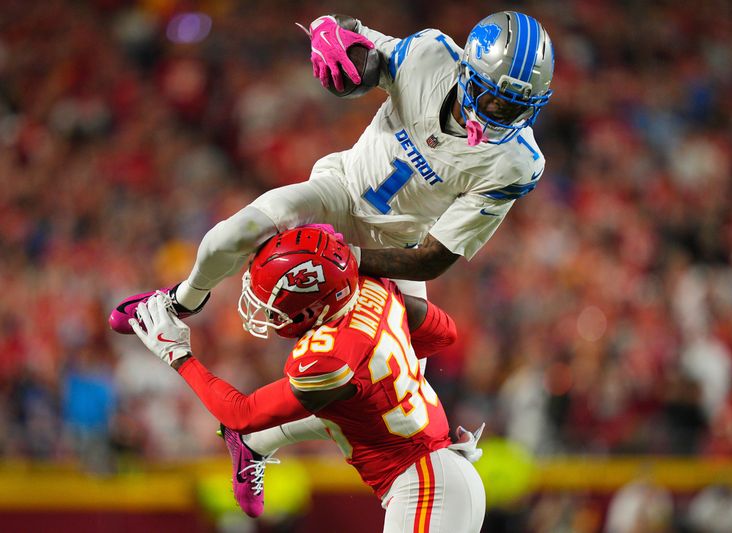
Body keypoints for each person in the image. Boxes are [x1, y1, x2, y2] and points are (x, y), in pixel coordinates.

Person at [109, 9, 554, 329]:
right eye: (496, 96)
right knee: (229, 235)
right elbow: (354, 39)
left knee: (409, 344)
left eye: (517, 105)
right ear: (466, 70)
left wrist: (349, 257)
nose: (502, 113)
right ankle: (180, 304)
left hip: (399, 242)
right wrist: (329, 32)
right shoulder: (429, 55)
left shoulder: (517, 162)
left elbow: (434, 258)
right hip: (340, 191)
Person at [129, 226, 486, 531]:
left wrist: (178, 355)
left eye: (277, 305)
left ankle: (256, 440)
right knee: (350, 407)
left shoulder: (329, 358)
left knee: (338, 400)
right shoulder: (370, 287)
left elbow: (240, 412)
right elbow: (444, 335)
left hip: (424, 484)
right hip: (446, 471)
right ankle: (257, 443)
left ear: (315, 306)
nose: (270, 312)